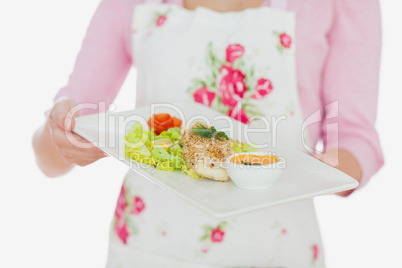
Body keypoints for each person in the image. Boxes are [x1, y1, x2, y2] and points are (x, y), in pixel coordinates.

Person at [32, 0, 384, 267]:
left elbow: (356, 139)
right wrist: (64, 134)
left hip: (278, 249)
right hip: (150, 245)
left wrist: (323, 172)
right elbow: (51, 153)